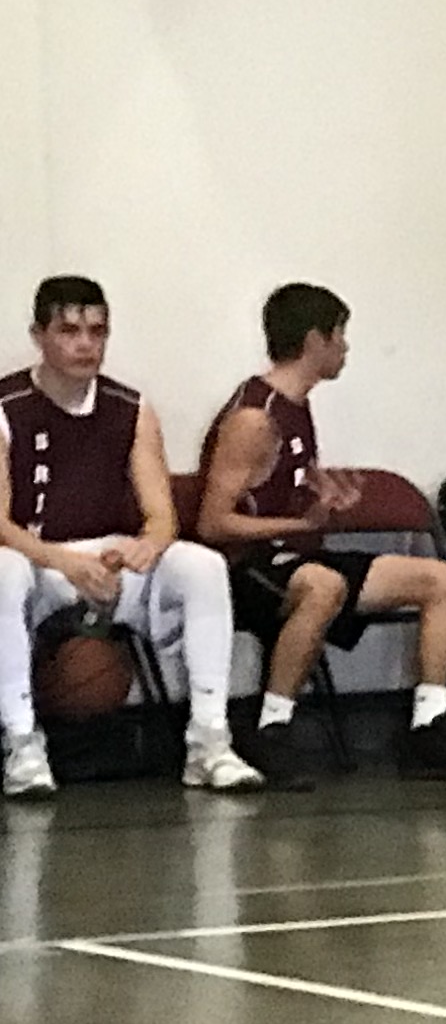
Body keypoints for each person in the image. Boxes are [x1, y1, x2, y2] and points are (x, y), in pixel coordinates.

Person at [196, 282, 446, 782]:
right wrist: (301, 524)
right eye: (341, 335)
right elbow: (213, 523)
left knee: (441, 579)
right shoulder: (254, 417)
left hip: (296, 557)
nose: (346, 347)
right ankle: (271, 728)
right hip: (246, 568)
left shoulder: (297, 405)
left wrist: (324, 502)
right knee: (322, 584)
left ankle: (428, 725)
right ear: (316, 340)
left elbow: (280, 495)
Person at [0, 278, 263, 795]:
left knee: (202, 565)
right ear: (39, 335)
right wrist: (61, 561)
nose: (85, 344)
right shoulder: (7, 405)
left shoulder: (132, 408)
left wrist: (148, 546)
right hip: (37, 558)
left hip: (111, 556)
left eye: (97, 332)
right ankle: (22, 745)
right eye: (70, 331)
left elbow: (161, 516)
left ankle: (209, 740)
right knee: (2, 571)